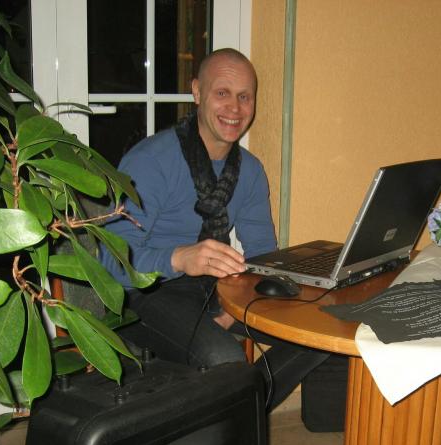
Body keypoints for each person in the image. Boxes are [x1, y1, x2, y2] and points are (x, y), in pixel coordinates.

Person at [100, 48, 327, 410]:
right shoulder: (150, 161)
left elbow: (263, 257)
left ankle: (237, 417)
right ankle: (236, 417)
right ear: (197, 92)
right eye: (222, 93)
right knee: (226, 362)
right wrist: (179, 258)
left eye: (245, 97)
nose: (234, 108)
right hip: (145, 295)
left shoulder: (249, 170)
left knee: (316, 332)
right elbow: (111, 263)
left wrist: (233, 311)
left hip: (216, 291)